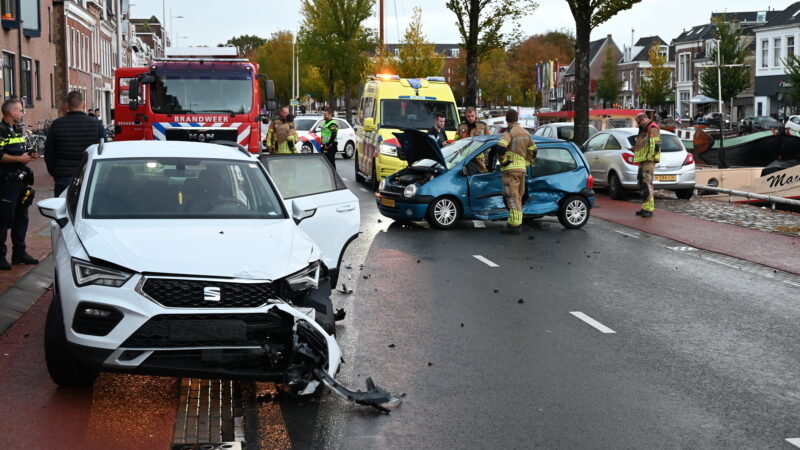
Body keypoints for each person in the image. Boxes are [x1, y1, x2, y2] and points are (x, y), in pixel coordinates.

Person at [44, 91, 106, 196]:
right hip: (89, 175)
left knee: (62, 205)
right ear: (84, 105)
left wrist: (55, 172)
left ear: (67, 106)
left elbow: (49, 152)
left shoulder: (57, 125)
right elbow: (104, 149)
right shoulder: (96, 124)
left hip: (64, 177)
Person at [0, 98, 38, 269]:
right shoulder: (1, 130)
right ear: (11, 112)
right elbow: (1, 155)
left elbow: (17, 151)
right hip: (6, 183)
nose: (23, 113)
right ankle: (0, 257)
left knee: (21, 218)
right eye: (20, 110)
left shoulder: (16, 130)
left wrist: (28, 155)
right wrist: (19, 159)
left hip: (20, 181)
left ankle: (19, 253)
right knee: (4, 220)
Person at [497, 109, 536, 235]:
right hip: (522, 170)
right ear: (517, 118)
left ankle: (516, 225)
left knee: (511, 197)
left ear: (506, 119)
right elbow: (534, 150)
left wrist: (504, 161)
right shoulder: (526, 133)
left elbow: (501, 147)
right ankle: (512, 222)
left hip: (510, 170)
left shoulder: (509, 132)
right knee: (518, 197)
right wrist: (527, 162)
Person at [633, 112, 661, 218]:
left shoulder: (652, 128)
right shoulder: (644, 129)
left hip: (648, 161)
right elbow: (645, 144)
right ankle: (645, 207)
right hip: (643, 160)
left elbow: (655, 145)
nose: (638, 124)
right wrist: (635, 148)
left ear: (643, 120)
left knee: (647, 184)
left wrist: (650, 158)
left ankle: (648, 209)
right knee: (642, 183)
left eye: (638, 122)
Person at [455, 106, 489, 171]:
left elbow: (489, 139)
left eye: (472, 116)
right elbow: (456, 140)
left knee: (480, 174)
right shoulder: (461, 126)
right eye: (468, 116)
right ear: (466, 116)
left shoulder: (483, 126)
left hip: (479, 156)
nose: (470, 118)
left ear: (475, 115)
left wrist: (484, 151)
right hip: (465, 157)